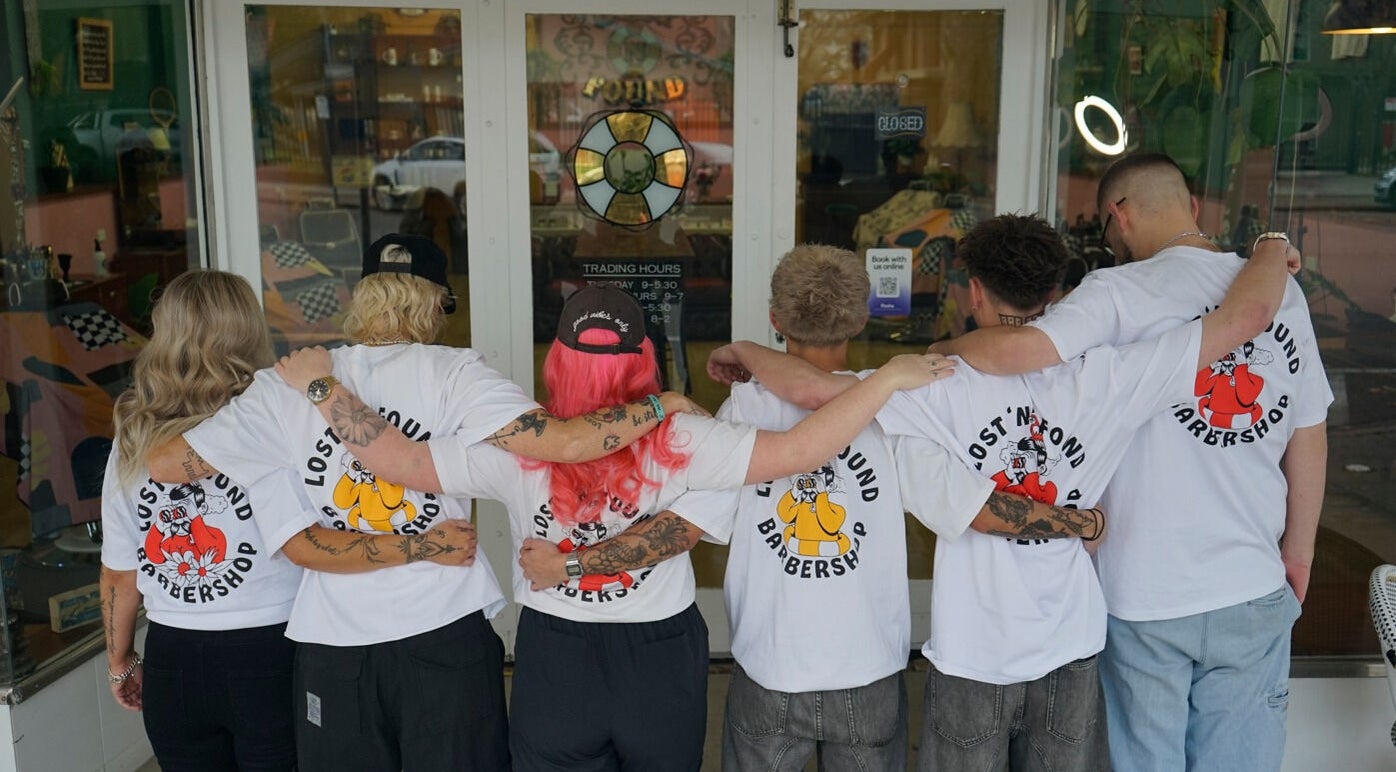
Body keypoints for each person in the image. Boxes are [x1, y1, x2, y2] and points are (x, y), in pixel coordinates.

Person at [274, 282, 953, 771]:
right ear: (645, 361)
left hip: (555, 661)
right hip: (658, 661)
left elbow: (401, 460)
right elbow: (805, 449)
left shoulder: (520, 442)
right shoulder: (686, 433)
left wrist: (321, 389)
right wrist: (886, 379)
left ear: (557, 359)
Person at [709, 214, 1298, 771]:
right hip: (1071, 643)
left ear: (974, 295)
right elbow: (1239, 319)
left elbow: (816, 393)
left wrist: (745, 350)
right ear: (1057, 298)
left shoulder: (930, 384)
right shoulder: (1113, 375)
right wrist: (1271, 247)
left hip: (974, 649)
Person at [143, 236, 703, 771]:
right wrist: (666, 403)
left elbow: (165, 465)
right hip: (445, 625)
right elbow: (569, 443)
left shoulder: (282, 386)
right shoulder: (457, 375)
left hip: (335, 640)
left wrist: (257, 439)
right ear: (437, 304)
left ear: (362, 295)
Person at [931, 154, 1330, 772]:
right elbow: (1308, 428)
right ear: (1192, 207)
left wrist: (940, 352)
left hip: (1143, 590)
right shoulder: (1278, 286)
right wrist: (1297, 552)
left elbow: (1022, 351)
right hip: (1251, 583)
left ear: (1117, 216)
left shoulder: (1115, 291)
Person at [100, 271, 479, 772]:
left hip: (174, 654)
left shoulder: (131, 441)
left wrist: (119, 661)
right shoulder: (277, 416)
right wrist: (424, 545)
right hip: (272, 648)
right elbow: (312, 541)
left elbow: (120, 574)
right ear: (249, 329)